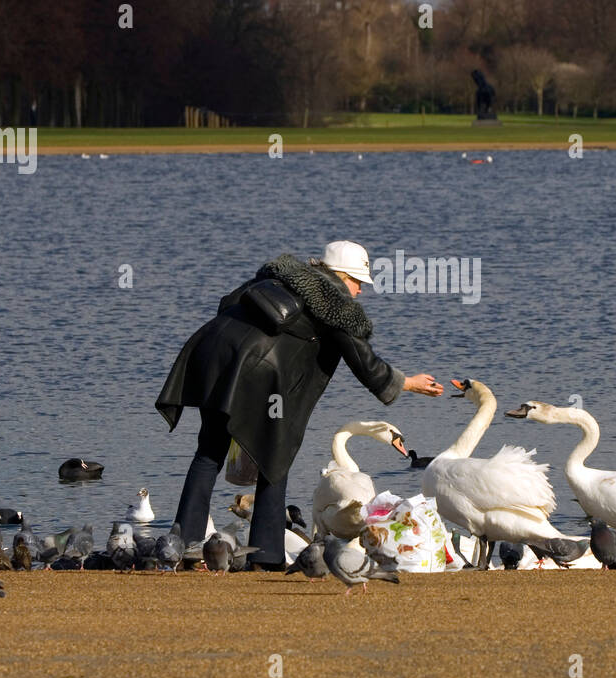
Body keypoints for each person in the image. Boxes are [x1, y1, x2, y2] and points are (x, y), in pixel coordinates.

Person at [156, 241, 443, 569]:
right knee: (274, 460)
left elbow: (227, 305)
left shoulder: (273, 280)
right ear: (339, 275)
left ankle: (187, 548)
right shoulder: (334, 304)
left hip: (211, 359)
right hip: (256, 375)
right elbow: (365, 363)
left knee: (208, 453)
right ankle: (266, 557)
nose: (360, 291)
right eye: (358, 282)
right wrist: (406, 382)